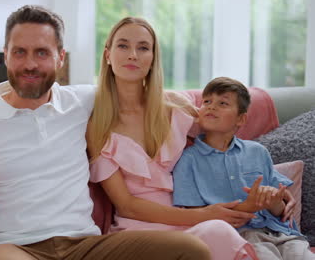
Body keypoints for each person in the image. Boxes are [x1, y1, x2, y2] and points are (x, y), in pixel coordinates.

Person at [0, 5, 212, 260]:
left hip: (85, 245)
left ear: (61, 57)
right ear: (5, 54)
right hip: (14, 248)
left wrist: (187, 102)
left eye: (41, 53)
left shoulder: (81, 101)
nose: (30, 64)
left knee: (191, 249)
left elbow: (136, 89)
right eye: (19, 52)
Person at [86, 17, 258, 260]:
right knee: (217, 230)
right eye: (123, 46)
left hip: (187, 221)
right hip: (138, 227)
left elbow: (223, 144)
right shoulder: (98, 126)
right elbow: (126, 205)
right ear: (107, 55)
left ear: (153, 58)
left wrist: (272, 186)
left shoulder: (176, 107)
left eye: (143, 47)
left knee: (218, 232)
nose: (133, 55)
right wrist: (203, 215)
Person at [173, 77, 314, 260]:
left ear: (241, 119)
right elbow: (194, 216)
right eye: (206, 101)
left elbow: (280, 208)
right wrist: (247, 206)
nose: (211, 106)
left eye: (222, 103)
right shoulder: (187, 160)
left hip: (282, 234)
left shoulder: (258, 152)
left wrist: (273, 201)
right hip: (241, 237)